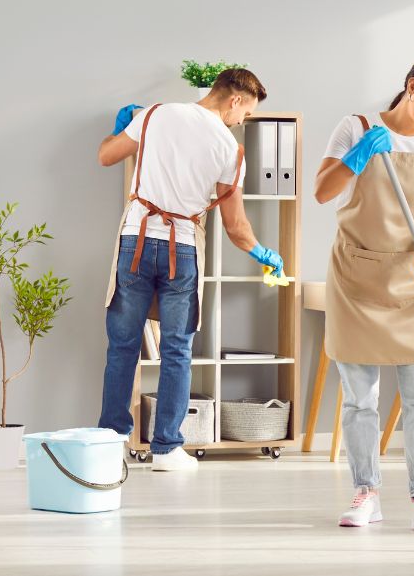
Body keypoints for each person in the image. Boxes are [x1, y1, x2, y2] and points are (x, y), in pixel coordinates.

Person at [96, 68, 285, 472]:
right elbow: (236, 228)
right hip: (182, 248)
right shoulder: (230, 150)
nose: (242, 122)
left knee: (123, 345)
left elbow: (106, 155)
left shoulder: (154, 114)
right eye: (246, 113)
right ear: (234, 100)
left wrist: (122, 129)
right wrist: (263, 252)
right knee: (177, 350)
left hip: (136, 238)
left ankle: (111, 442)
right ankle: (165, 449)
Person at [313, 55, 414, 534]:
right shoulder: (356, 126)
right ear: (411, 86)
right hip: (355, 276)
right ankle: (366, 493)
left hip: (412, 279)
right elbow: (323, 191)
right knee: (360, 398)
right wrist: (357, 154)